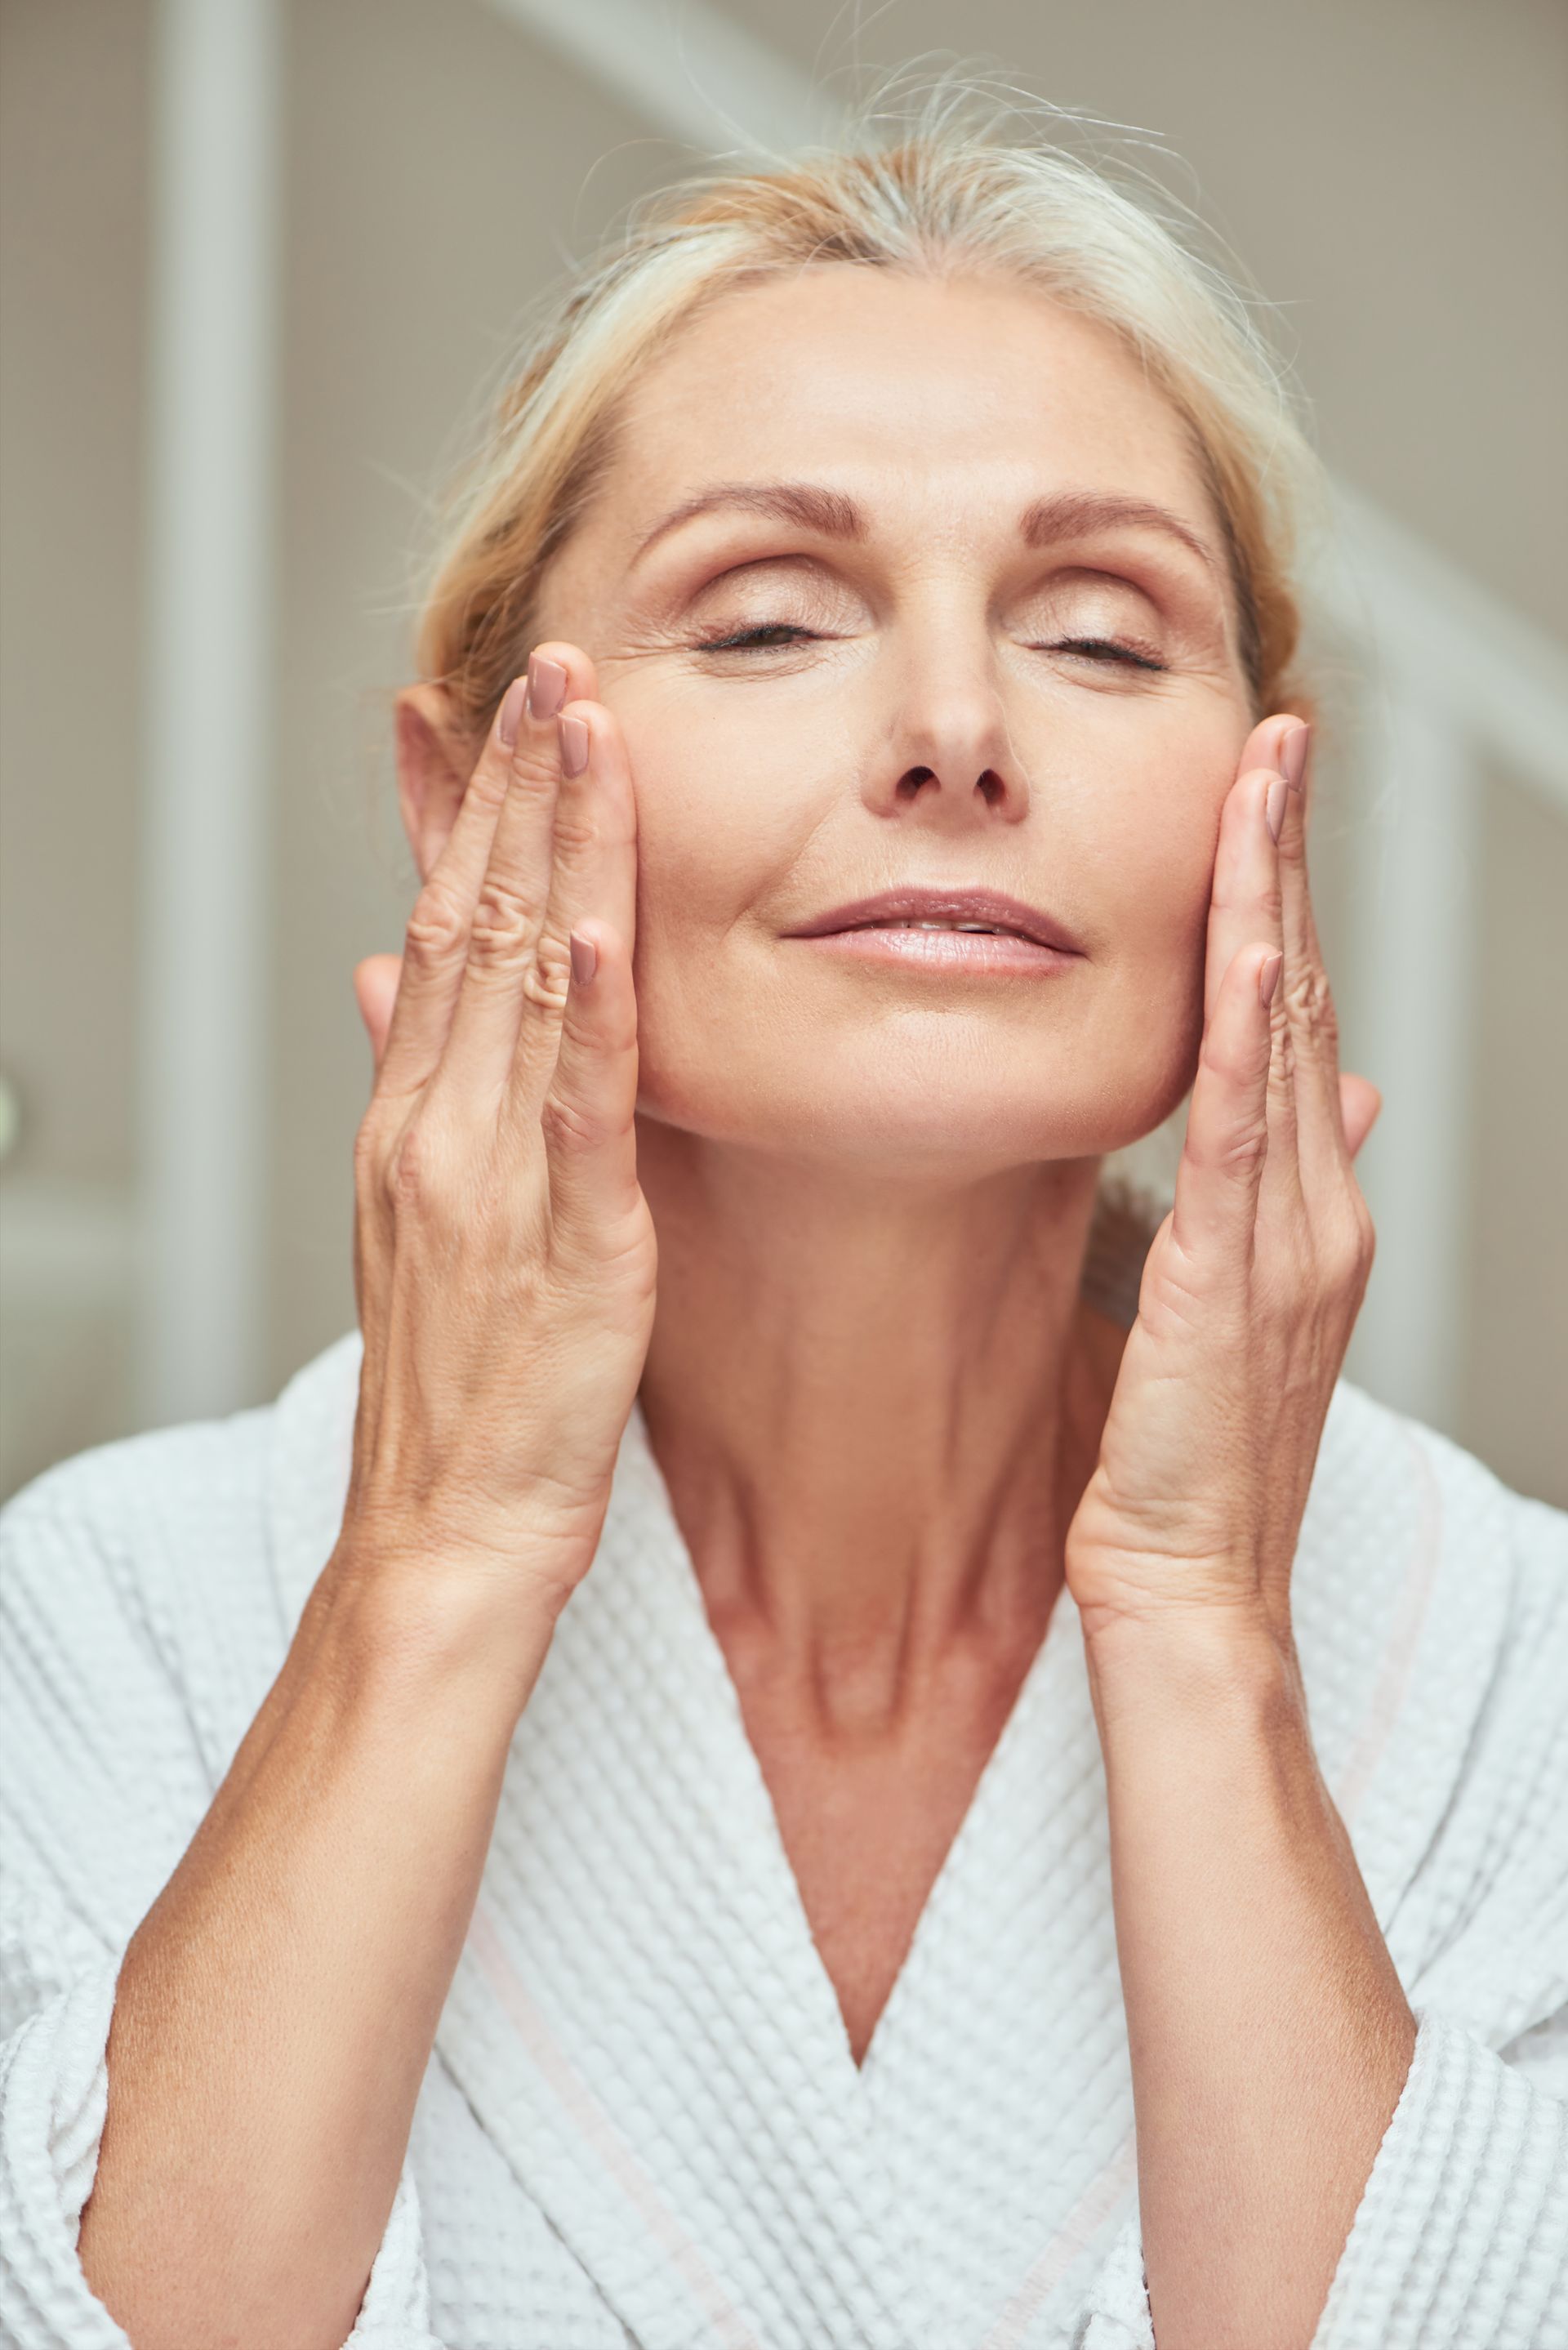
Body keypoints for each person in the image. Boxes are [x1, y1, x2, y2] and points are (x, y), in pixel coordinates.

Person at [2, 78, 1564, 2350]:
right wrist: (437, 1555)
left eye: (1105, 638)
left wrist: (1207, 1635)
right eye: (763, 623)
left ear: (1264, 817)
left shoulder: (1512, 1675)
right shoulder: (109, 1623)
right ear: (468, 816)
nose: (953, 729)